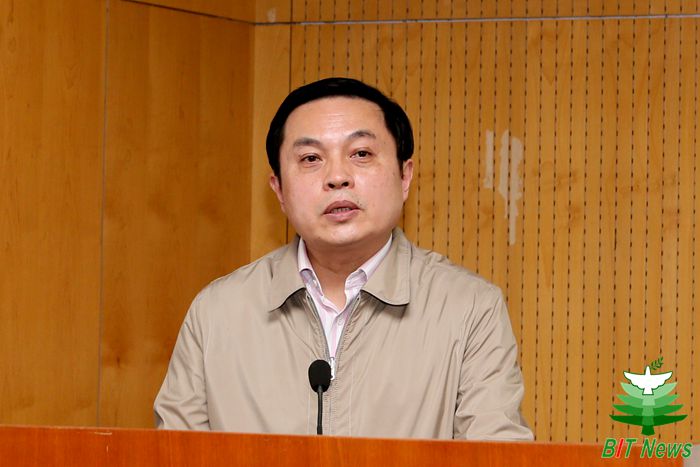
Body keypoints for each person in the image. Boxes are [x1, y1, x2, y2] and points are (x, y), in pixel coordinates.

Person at [154, 77, 533, 440]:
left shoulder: (468, 308)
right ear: (279, 189)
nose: (337, 177)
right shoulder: (217, 313)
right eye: (310, 158)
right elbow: (171, 455)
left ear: (405, 176)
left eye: (361, 154)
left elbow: (496, 454)